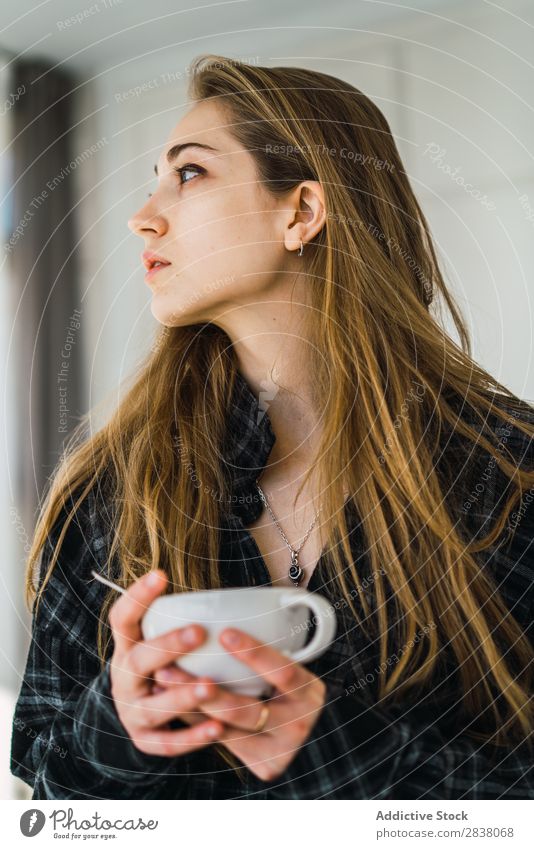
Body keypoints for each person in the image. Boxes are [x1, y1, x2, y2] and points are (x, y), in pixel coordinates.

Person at [10, 54, 534, 800]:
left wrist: (337, 751)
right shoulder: (108, 493)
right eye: (154, 177)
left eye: (189, 173)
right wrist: (119, 723)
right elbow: (41, 778)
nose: (143, 214)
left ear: (302, 212)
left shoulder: (508, 472)